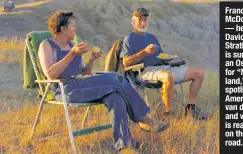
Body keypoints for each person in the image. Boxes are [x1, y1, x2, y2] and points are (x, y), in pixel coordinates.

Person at [38, 10, 169, 152]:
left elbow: (85, 72)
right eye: (73, 26)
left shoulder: (72, 45)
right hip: (65, 89)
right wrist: (72, 54)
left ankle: (124, 145)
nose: (76, 29)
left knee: (116, 98)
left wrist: (92, 59)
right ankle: (145, 119)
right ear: (63, 29)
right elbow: (50, 74)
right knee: (116, 77)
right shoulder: (47, 45)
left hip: (82, 83)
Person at [121, 7, 206, 120]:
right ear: (133, 21)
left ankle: (190, 109)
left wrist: (168, 58)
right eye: (140, 19)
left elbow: (160, 56)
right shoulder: (129, 39)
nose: (143, 22)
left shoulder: (152, 38)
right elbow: (126, 62)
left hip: (163, 67)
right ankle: (168, 114)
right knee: (167, 76)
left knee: (198, 73)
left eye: (145, 19)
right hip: (144, 71)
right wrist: (144, 53)